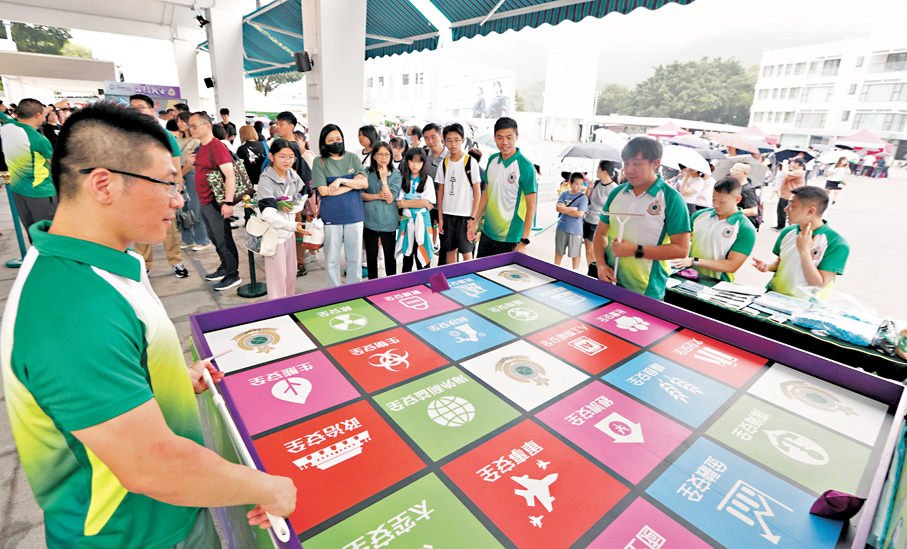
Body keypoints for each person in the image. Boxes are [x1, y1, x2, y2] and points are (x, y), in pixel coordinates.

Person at [1, 101, 295, 549]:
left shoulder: (104, 263)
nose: (179, 199)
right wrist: (269, 488)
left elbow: (117, 370)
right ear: (103, 184)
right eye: (167, 183)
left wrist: (169, 378)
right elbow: (152, 465)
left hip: (169, 517)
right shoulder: (72, 310)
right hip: (138, 535)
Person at [592, 137, 691, 300]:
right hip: (609, 282)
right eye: (626, 163)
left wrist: (636, 250)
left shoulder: (672, 199)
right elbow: (601, 233)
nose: (629, 170)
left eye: (636, 164)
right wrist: (601, 265)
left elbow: (681, 249)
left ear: (655, 163)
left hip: (647, 290)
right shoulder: (617, 193)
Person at [129, 94, 190, 278]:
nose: (137, 111)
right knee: (140, 227)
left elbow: (175, 162)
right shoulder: (127, 134)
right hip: (136, 189)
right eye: (132, 108)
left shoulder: (164, 134)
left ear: (151, 110)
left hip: (163, 189)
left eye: (141, 107)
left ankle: (176, 261)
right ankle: (144, 264)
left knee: (168, 228)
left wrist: (176, 189)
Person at [753, 186, 849, 296]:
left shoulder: (837, 244)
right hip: (773, 296)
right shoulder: (788, 231)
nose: (786, 209)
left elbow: (818, 285)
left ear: (811, 210)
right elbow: (782, 261)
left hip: (805, 307)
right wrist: (768, 266)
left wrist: (804, 251)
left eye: (792, 206)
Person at [189, 111, 243, 290]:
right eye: (190, 126)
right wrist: (190, 162)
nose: (191, 129)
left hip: (216, 202)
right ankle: (225, 267)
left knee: (224, 239)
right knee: (214, 237)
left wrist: (228, 203)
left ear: (207, 126)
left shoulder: (217, 147)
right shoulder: (200, 147)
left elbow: (230, 176)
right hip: (204, 201)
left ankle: (233, 274)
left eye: (194, 125)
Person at [468, 117, 537, 257]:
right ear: (495, 138)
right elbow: (486, 194)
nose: (504, 142)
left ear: (516, 137)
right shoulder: (492, 160)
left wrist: (524, 241)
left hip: (511, 238)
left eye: (509, 137)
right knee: (482, 274)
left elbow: (532, 206)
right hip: (487, 233)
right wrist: (474, 222)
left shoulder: (526, 166)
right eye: (500, 137)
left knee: (503, 278)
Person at [670, 176, 756, 282]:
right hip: (687, 275)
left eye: (722, 202)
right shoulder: (699, 215)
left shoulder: (745, 228)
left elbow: (732, 265)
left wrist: (694, 261)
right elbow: (682, 241)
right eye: (713, 199)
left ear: (737, 199)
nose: (716, 205)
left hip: (717, 283)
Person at [312, 124, 368, 288]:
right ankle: (334, 292)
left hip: (354, 214)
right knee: (332, 258)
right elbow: (324, 191)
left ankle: (354, 290)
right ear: (324, 142)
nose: (336, 142)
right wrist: (352, 184)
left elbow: (364, 183)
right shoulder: (319, 161)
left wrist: (340, 181)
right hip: (331, 216)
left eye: (338, 139)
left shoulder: (352, 158)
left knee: (355, 258)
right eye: (331, 140)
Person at [257, 139, 311, 300]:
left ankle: (289, 306)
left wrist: (288, 205)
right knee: (277, 278)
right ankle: (277, 311)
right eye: (282, 156)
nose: (287, 161)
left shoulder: (292, 175)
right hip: (274, 236)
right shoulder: (266, 180)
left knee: (290, 274)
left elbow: (303, 195)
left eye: (291, 157)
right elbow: (268, 214)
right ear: (272, 157)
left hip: (288, 233)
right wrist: (292, 225)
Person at [0, 98, 58, 243]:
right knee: (49, 235)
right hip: (42, 194)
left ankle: (36, 260)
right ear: (38, 115)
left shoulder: (8, 126)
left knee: (33, 234)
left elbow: (30, 113)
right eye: (43, 113)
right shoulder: (39, 140)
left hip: (18, 191)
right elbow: (55, 167)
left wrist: (54, 106)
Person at [269, 112, 314, 277]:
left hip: (291, 197)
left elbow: (291, 174)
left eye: (281, 124)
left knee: (294, 229)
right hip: (280, 196)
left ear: (291, 126)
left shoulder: (292, 146)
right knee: (285, 229)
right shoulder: (278, 143)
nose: (277, 127)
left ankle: (299, 263)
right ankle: (290, 262)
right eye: (277, 123)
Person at [437, 123, 482, 265]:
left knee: (466, 252)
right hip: (448, 215)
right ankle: (451, 280)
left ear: (463, 140)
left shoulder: (470, 162)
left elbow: (477, 192)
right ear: (444, 141)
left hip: (465, 216)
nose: (453, 144)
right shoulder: (443, 163)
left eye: (456, 140)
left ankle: (469, 279)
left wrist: (473, 218)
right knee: (450, 250)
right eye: (449, 140)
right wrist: (440, 217)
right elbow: (441, 192)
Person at [362, 142, 402, 279]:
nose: (384, 157)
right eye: (380, 154)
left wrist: (384, 179)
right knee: (371, 258)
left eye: (387, 154)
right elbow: (361, 195)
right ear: (374, 156)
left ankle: (391, 286)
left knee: (389, 257)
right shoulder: (367, 172)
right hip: (369, 222)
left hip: (388, 222)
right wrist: (377, 196)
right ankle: (372, 286)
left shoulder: (396, 174)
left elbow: (390, 199)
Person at [174, 112, 211, 251]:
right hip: (179, 174)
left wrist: (179, 176)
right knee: (182, 208)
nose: (181, 124)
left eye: (183, 121)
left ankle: (202, 239)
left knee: (195, 207)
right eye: (178, 121)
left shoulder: (196, 141)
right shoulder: (177, 140)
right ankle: (187, 238)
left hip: (190, 175)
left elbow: (192, 163)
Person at [396, 147, 435, 272]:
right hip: (407, 221)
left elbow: (427, 202)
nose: (415, 165)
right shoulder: (402, 179)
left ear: (423, 163)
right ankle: (405, 286)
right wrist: (420, 203)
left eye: (419, 162)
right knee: (408, 255)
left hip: (423, 221)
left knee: (423, 255)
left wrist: (408, 202)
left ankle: (424, 285)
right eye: (412, 161)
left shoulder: (427, 180)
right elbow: (399, 204)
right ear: (407, 161)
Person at [584, 160, 618, 269]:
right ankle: (590, 272)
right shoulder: (597, 183)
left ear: (604, 171)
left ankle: (596, 273)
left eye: (598, 168)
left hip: (598, 223)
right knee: (587, 250)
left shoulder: (614, 188)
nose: (596, 170)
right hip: (588, 219)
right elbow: (588, 199)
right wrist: (589, 188)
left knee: (592, 250)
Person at [422, 123, 448, 256]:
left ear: (441, 136)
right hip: (429, 205)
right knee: (425, 239)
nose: (430, 141)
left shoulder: (452, 156)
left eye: (433, 137)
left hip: (447, 207)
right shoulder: (423, 156)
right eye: (426, 138)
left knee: (447, 243)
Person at [555, 173, 589, 270]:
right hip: (561, 227)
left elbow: (580, 214)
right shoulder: (564, 194)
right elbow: (558, 208)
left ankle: (575, 272)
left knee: (575, 253)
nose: (580, 187)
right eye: (577, 184)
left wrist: (565, 209)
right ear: (571, 183)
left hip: (576, 230)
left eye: (582, 184)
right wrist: (573, 209)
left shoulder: (583, 198)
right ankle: (555, 269)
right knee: (559, 251)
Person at [775, 157, 806, 230]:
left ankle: (789, 227)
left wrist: (785, 164)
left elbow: (786, 175)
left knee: (787, 211)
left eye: (792, 162)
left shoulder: (799, 172)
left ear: (797, 164)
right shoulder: (795, 171)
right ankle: (780, 225)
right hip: (786, 194)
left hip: (790, 195)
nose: (791, 163)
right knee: (781, 210)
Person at [729, 163, 761, 229]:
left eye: (736, 170)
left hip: (743, 225)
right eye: (732, 169)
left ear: (745, 173)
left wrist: (733, 212)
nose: (732, 172)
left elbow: (753, 211)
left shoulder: (748, 190)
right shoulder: (735, 187)